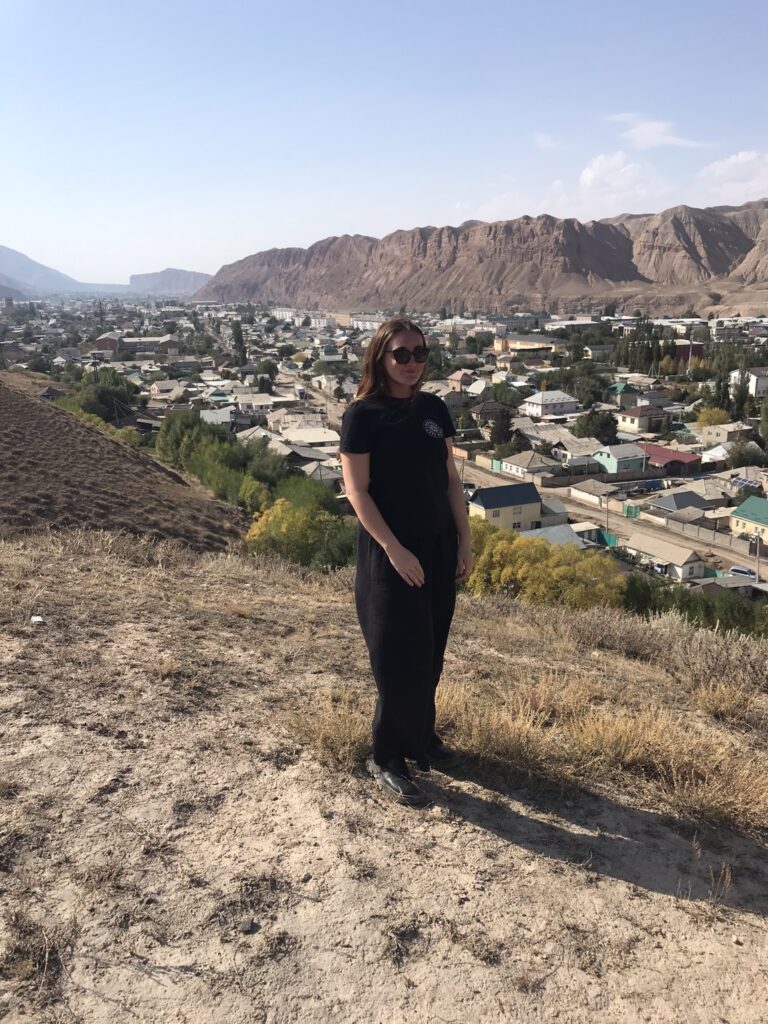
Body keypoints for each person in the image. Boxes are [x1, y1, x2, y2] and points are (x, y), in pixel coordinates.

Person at [339, 318, 473, 806]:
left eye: (420, 353)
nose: (413, 362)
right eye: (402, 354)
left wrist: (464, 541)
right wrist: (395, 549)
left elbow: (450, 480)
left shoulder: (434, 409)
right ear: (381, 357)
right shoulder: (363, 415)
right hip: (389, 554)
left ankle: (423, 740)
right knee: (397, 657)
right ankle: (387, 756)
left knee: (431, 650)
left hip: (438, 547)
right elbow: (357, 491)